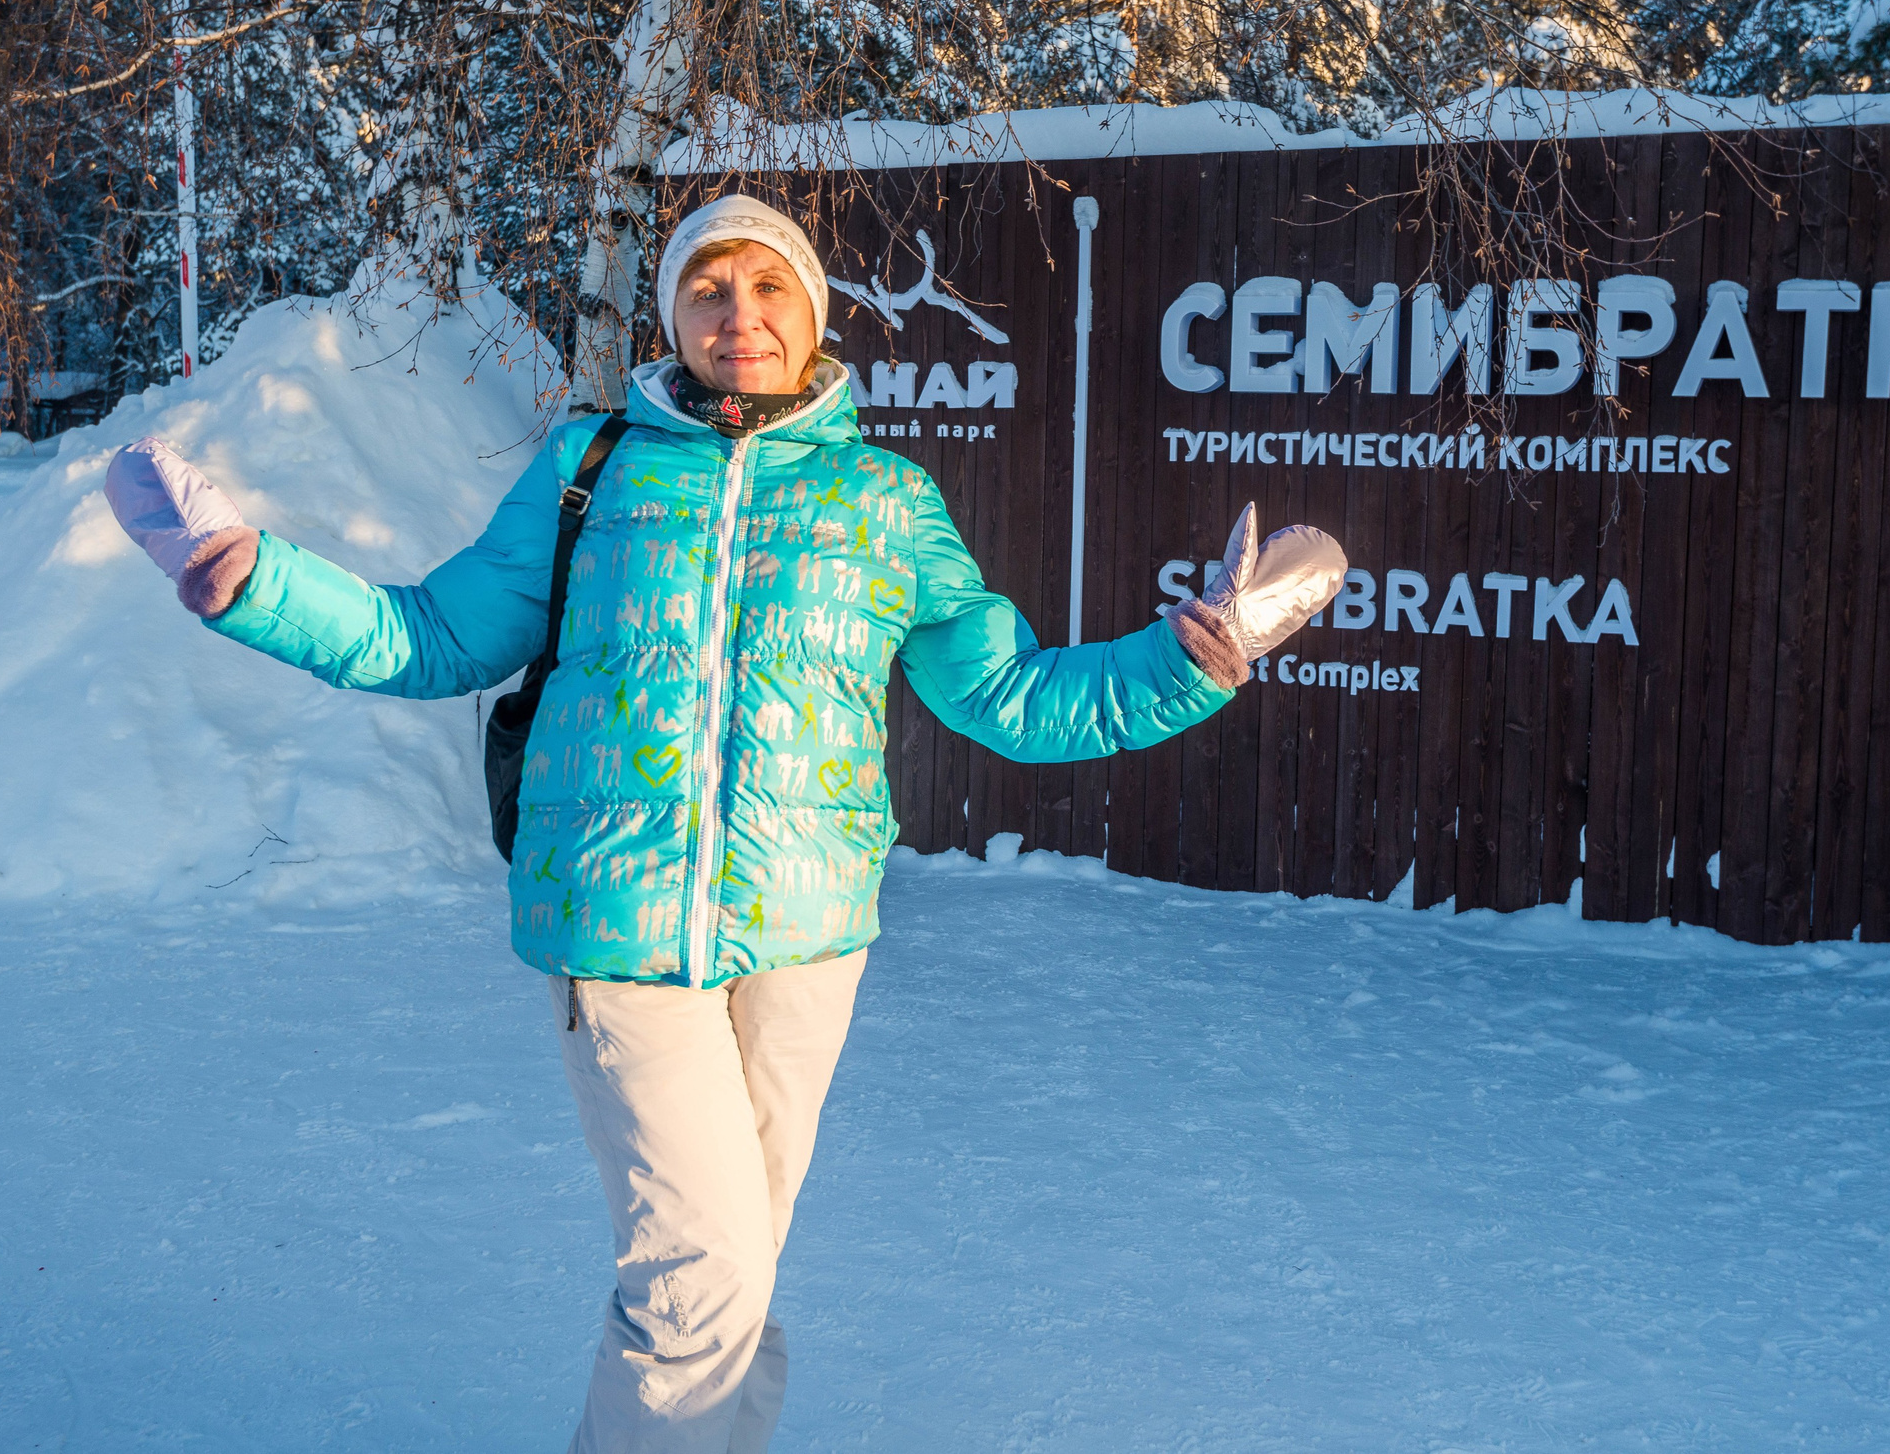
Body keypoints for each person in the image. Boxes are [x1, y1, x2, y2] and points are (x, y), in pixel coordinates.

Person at [101, 193, 1346, 1453]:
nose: (737, 315)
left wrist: (1193, 656)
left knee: (731, 1283)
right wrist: (260, 582)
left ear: (811, 314)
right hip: (616, 924)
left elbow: (1008, 696)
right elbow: (431, 636)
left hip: (807, 940)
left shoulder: (887, 501)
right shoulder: (591, 467)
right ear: (673, 313)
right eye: (709, 289)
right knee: (699, 1281)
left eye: (767, 289)